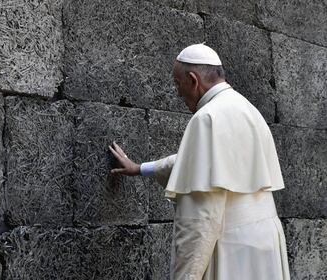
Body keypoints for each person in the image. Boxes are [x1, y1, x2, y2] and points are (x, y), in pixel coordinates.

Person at [109, 44, 290, 280]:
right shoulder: (248, 110)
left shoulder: (206, 117)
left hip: (231, 249)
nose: (178, 93)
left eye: (177, 83)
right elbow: (199, 165)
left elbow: (200, 217)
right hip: (265, 242)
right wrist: (140, 168)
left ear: (193, 80)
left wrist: (186, 275)